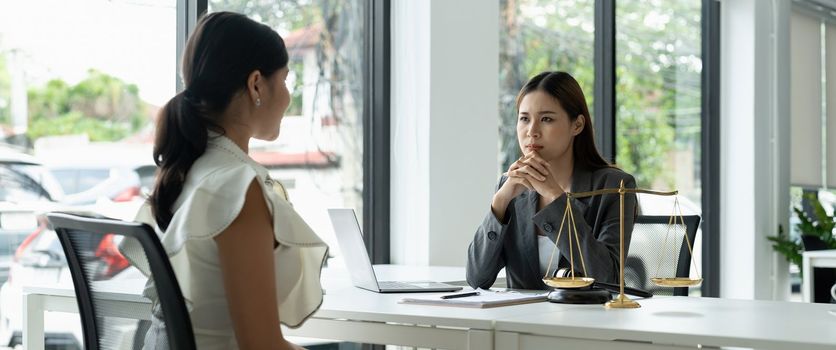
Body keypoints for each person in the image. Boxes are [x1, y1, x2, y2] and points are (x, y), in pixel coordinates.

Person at [137, 12, 328, 350]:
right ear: (257, 84)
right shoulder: (237, 187)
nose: (286, 97)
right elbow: (262, 346)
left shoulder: (189, 171)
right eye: (284, 81)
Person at [466, 71, 637, 290]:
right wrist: (499, 202)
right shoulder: (509, 187)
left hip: (588, 321)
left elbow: (608, 280)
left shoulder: (614, 187)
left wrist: (556, 198)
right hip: (522, 322)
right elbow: (477, 279)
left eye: (546, 119)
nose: (532, 131)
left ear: (577, 125)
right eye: (524, 119)